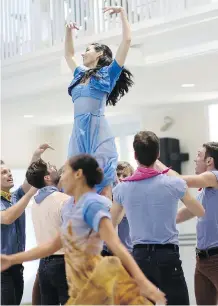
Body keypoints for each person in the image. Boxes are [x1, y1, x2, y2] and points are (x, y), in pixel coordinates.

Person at [1, 154, 166, 305]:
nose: (61, 177)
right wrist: (12, 259)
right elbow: (51, 245)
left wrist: (143, 282)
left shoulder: (94, 204)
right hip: (80, 286)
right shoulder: (76, 207)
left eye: (65, 171)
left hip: (94, 283)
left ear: (78, 175)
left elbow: (116, 245)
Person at [111, 131, 205, 305]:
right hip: (168, 256)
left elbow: (112, 222)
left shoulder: (123, 189)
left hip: (139, 257)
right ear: (158, 154)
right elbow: (199, 211)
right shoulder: (174, 183)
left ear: (135, 155)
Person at [65, 5, 133, 199]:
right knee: (77, 177)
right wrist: (68, 31)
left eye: (88, 50)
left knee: (102, 179)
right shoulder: (79, 74)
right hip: (78, 129)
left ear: (100, 54)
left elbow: (127, 40)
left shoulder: (109, 73)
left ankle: (109, 224)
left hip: (97, 127)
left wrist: (122, 14)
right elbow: (68, 54)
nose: (82, 53)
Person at [0, 144, 52, 305]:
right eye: (3, 172)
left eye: (9, 171)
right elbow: (8, 217)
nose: (9, 174)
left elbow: (29, 182)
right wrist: (30, 193)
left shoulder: (15, 196)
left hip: (16, 265)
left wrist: (36, 156)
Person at [176, 142, 218, 305]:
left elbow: (185, 181)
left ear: (209, 161)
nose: (195, 160)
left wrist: (156, 168)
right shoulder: (204, 194)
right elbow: (179, 216)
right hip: (202, 260)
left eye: (199, 155)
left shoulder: (214, 176)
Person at [26, 159, 70, 305]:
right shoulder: (64, 200)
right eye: (52, 168)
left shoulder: (34, 204)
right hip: (64, 262)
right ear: (47, 177)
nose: (55, 168)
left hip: (44, 263)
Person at [102, 161, 134, 257]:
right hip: (106, 251)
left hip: (126, 250)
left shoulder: (132, 198)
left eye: (125, 175)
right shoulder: (106, 197)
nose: (120, 178)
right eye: (119, 175)